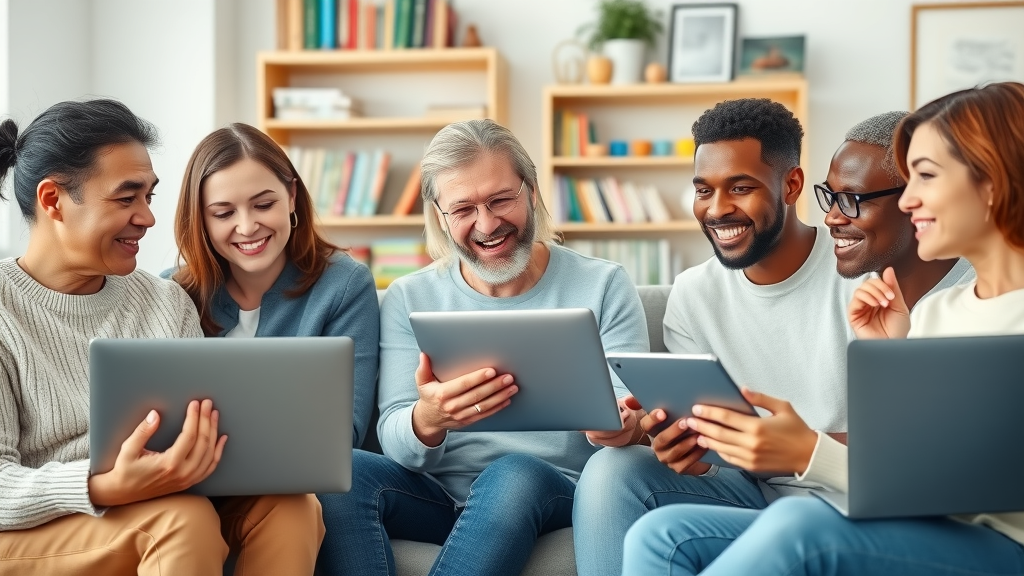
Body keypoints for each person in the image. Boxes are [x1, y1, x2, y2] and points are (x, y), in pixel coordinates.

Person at [621, 81, 1024, 576]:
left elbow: (962, 483)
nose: (911, 199)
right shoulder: (942, 311)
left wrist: (809, 451)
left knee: (801, 524)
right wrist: (893, 354)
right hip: (929, 524)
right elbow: (914, 458)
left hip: (999, 541)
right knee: (660, 536)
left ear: (992, 183)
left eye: (925, 176)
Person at [0, 100, 323, 575]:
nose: (148, 218)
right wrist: (103, 486)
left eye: (149, 197)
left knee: (291, 504)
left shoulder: (164, 302)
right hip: (36, 528)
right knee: (179, 519)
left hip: (157, 501)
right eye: (126, 198)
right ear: (53, 201)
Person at [315, 119, 649, 576]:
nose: (488, 224)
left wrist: (619, 426)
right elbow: (395, 434)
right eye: (464, 209)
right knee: (340, 474)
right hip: (435, 495)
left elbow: (632, 420)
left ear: (531, 191)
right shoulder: (410, 298)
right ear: (440, 214)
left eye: (500, 200)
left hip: (548, 489)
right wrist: (428, 419)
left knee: (513, 473)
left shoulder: (603, 285)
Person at [574, 98, 865, 576]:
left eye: (741, 187)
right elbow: (707, 446)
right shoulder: (693, 293)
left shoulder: (858, 272)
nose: (717, 209)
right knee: (611, 469)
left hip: (840, 492)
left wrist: (786, 447)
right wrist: (647, 433)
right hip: (745, 492)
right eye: (703, 190)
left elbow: (906, 444)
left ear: (791, 185)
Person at [166, 122, 379, 448]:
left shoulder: (345, 285)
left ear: (292, 197)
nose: (248, 226)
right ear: (201, 220)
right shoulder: (169, 291)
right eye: (223, 213)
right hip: (192, 480)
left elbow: (343, 432)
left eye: (264, 205)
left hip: (300, 480)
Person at [819, 111, 973, 308]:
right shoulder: (847, 297)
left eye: (851, 199)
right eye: (831, 196)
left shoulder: (991, 302)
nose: (830, 218)